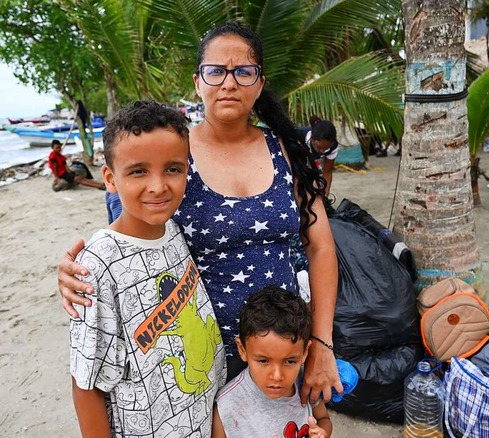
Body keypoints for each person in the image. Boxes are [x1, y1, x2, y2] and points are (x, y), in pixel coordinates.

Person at [57, 21, 342, 404]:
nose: (229, 83)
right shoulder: (173, 156)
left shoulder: (286, 150)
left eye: (243, 71)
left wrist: (322, 343)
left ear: (259, 83)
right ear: (198, 81)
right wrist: (80, 273)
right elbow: (128, 241)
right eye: (216, 71)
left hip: (282, 354)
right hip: (199, 359)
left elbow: (321, 248)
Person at [69, 100, 227, 438]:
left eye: (172, 169)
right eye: (138, 171)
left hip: (199, 435)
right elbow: (86, 384)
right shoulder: (97, 266)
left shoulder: (172, 229)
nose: (158, 187)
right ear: (110, 178)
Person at [210, 285, 332, 438]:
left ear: (305, 353)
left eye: (290, 361)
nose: (277, 376)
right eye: (263, 361)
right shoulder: (227, 405)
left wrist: (322, 435)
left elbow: (323, 419)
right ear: (242, 349)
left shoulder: (304, 383)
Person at [303, 116, 339, 196]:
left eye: (326, 148)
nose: (322, 151)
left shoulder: (332, 147)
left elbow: (327, 172)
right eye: (319, 147)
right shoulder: (299, 138)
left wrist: (325, 196)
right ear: (312, 138)